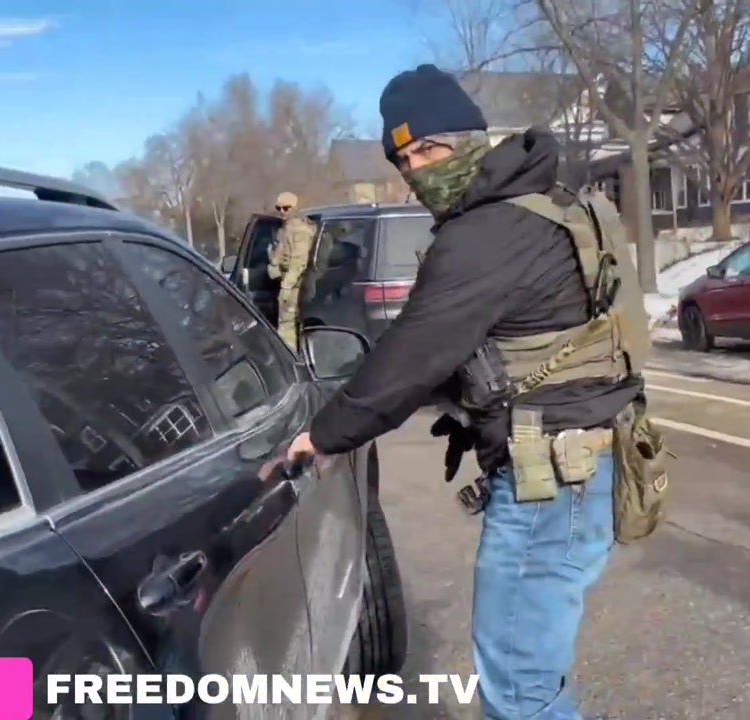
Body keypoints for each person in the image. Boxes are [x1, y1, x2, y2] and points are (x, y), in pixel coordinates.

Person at [283, 64, 668, 716]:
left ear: (470, 139)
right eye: (405, 160)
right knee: (532, 675)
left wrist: (322, 436)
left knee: (518, 685)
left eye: (429, 149)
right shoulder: (553, 203)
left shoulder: (485, 234)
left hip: (553, 479)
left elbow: (411, 356)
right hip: (591, 457)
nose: (418, 169)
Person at [266, 191, 319, 349]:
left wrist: (286, 286)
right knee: (285, 323)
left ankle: (289, 357)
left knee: (287, 327)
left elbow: (298, 262)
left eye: (286, 208)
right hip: (287, 281)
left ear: (294, 207)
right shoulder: (285, 228)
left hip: (295, 286)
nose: (282, 212)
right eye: (279, 208)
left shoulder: (299, 230)